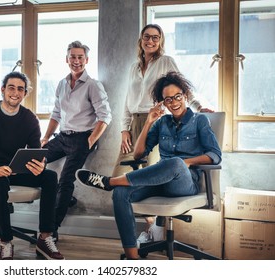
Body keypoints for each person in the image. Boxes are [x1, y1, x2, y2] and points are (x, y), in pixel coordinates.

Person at [76, 71, 222, 260]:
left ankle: (111, 181)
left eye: (177, 97)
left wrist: (187, 162)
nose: (174, 102)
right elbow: (138, 154)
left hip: (185, 183)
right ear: (163, 103)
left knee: (176, 163)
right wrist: (148, 122)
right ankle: (132, 257)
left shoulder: (199, 120)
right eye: (168, 100)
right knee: (121, 193)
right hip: (161, 181)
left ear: (185, 96)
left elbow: (215, 156)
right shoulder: (162, 122)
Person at [112, 24, 213, 246]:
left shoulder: (165, 62)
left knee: (157, 173)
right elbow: (127, 100)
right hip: (137, 122)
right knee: (126, 172)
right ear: (140, 40)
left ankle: (152, 231)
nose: (151, 41)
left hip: (156, 120)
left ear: (160, 40)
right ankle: (151, 230)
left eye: (155, 38)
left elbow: (180, 87)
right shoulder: (133, 67)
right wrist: (124, 129)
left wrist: (197, 106)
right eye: (147, 37)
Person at [0, 71, 64, 260]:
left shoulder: (29, 119)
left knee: (50, 176)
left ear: (25, 93)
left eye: (20, 89)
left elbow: (36, 151)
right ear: (2, 89)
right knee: (0, 180)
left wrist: (41, 164)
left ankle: (45, 238)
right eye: (11, 87)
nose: (15, 92)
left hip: (13, 169)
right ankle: (5, 242)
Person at [41, 40, 112, 239]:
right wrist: (46, 137)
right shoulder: (62, 84)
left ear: (86, 60)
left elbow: (105, 116)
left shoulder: (93, 85)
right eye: (73, 57)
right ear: (67, 59)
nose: (76, 61)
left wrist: (90, 141)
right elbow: (56, 113)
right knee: (35, 162)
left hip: (82, 139)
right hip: (62, 137)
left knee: (65, 180)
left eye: (80, 57)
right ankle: (66, 199)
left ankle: (52, 229)